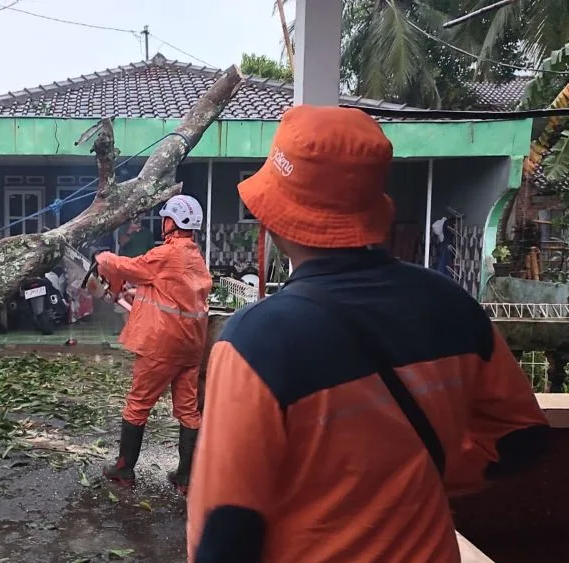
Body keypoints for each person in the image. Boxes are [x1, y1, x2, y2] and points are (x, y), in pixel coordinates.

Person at [187, 105, 550, 563]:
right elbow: (522, 438)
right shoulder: (454, 307)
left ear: (273, 217)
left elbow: (224, 530)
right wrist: (418, 471)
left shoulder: (255, 343)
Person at [94, 195, 212, 494]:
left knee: (138, 405)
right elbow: (172, 295)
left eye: (165, 218)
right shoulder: (196, 258)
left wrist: (103, 257)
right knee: (188, 410)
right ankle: (186, 477)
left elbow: (129, 266)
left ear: (171, 222)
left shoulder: (167, 254)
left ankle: (123, 469)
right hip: (191, 347)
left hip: (162, 347)